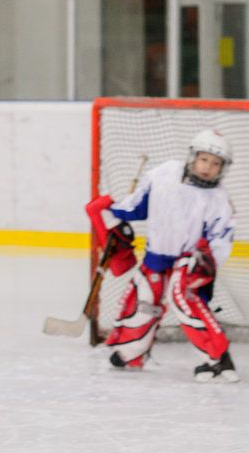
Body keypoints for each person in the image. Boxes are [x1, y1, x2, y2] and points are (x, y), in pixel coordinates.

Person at [87, 129, 238, 382]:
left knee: (184, 302)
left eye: (215, 164)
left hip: (188, 264)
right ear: (192, 157)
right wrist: (113, 212)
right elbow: (138, 206)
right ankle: (130, 352)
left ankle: (218, 359)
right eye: (204, 160)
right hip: (156, 257)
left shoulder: (219, 199)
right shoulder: (164, 174)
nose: (207, 168)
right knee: (144, 301)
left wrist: (205, 262)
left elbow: (221, 239)